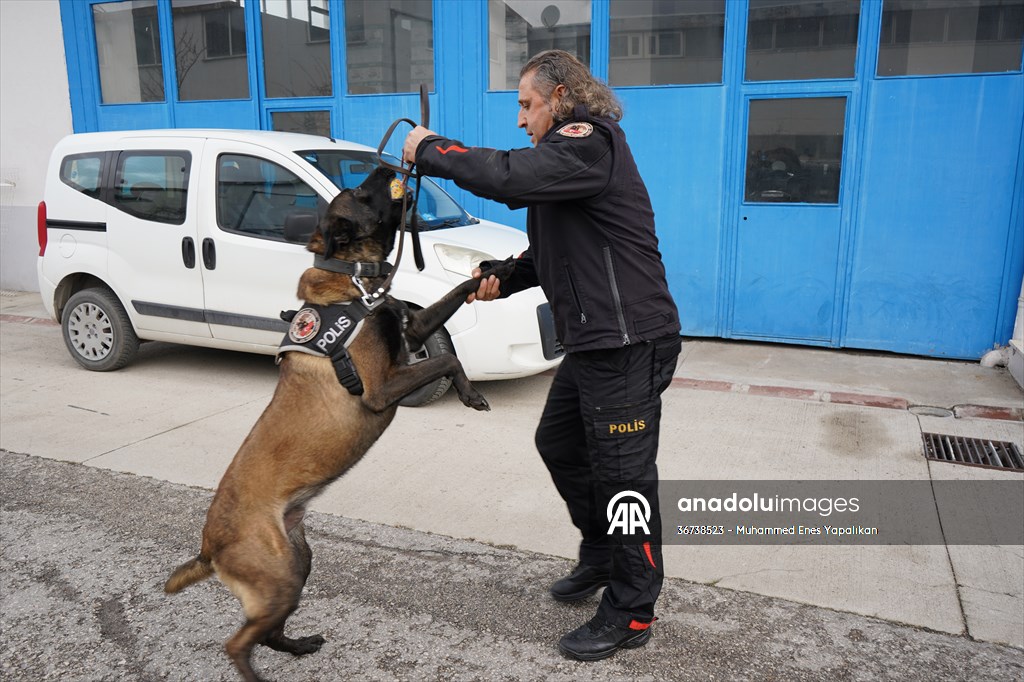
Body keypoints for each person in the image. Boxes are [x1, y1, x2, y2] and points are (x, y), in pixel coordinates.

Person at [402, 49, 681, 661]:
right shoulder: (569, 165)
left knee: (624, 479)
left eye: (526, 105)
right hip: (596, 342)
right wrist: (505, 272)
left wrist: (430, 149)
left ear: (560, 98)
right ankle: (603, 554)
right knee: (558, 443)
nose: (522, 119)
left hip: (629, 344)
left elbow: (508, 176)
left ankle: (632, 610)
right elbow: (556, 251)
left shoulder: (588, 142)